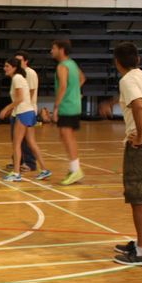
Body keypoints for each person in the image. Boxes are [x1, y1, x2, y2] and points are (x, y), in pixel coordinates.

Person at [98, 43, 142, 266]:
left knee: (139, 197)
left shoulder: (126, 80)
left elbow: (138, 104)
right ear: (138, 59)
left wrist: (141, 135)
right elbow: (137, 99)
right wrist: (113, 102)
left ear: (117, 62)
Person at [0, 58, 52, 182]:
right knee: (32, 143)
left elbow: (20, 99)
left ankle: (16, 173)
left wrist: (6, 109)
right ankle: (44, 170)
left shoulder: (17, 78)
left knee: (17, 144)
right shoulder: (19, 78)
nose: (4, 68)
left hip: (23, 112)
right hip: (29, 112)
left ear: (14, 67)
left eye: (7, 66)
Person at [51, 39, 86, 185]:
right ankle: (74, 168)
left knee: (67, 136)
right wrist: (75, 92)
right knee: (67, 135)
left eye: (53, 48)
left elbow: (63, 86)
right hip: (75, 105)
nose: (51, 51)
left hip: (67, 106)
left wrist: (56, 107)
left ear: (61, 49)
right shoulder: (72, 63)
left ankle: (76, 170)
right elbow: (82, 78)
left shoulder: (62, 66)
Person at [6, 51, 39, 172]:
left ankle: (30, 163)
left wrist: (11, 108)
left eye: (20, 61)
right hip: (19, 109)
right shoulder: (18, 75)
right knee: (17, 139)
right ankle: (18, 162)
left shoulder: (29, 73)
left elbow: (29, 92)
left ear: (26, 61)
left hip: (26, 109)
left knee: (26, 141)